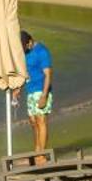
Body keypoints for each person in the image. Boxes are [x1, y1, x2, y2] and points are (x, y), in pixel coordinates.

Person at [19, 31, 55, 163]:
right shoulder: (24, 52)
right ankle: (37, 151)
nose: (23, 49)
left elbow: (48, 75)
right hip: (30, 90)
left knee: (41, 121)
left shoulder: (42, 52)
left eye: (24, 46)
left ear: (30, 41)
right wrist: (19, 89)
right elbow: (25, 73)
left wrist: (44, 96)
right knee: (33, 123)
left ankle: (41, 155)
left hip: (41, 90)